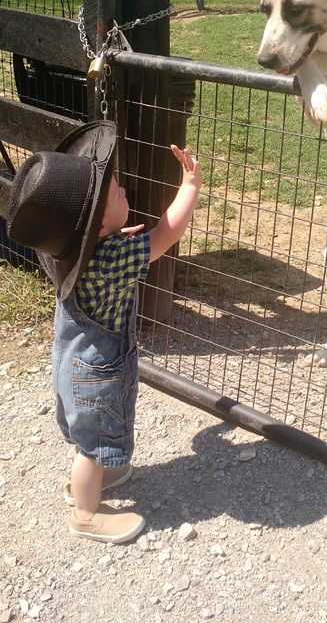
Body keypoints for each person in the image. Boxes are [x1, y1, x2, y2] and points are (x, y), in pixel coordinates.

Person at [7, 120, 202, 544]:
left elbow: (97, 248)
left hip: (71, 365)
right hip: (97, 375)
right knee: (91, 448)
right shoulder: (114, 256)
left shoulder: (63, 251)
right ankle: (85, 513)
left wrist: (113, 234)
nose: (124, 190)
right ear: (97, 229)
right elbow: (165, 234)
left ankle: (90, 480)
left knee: (88, 438)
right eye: (116, 194)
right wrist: (189, 186)